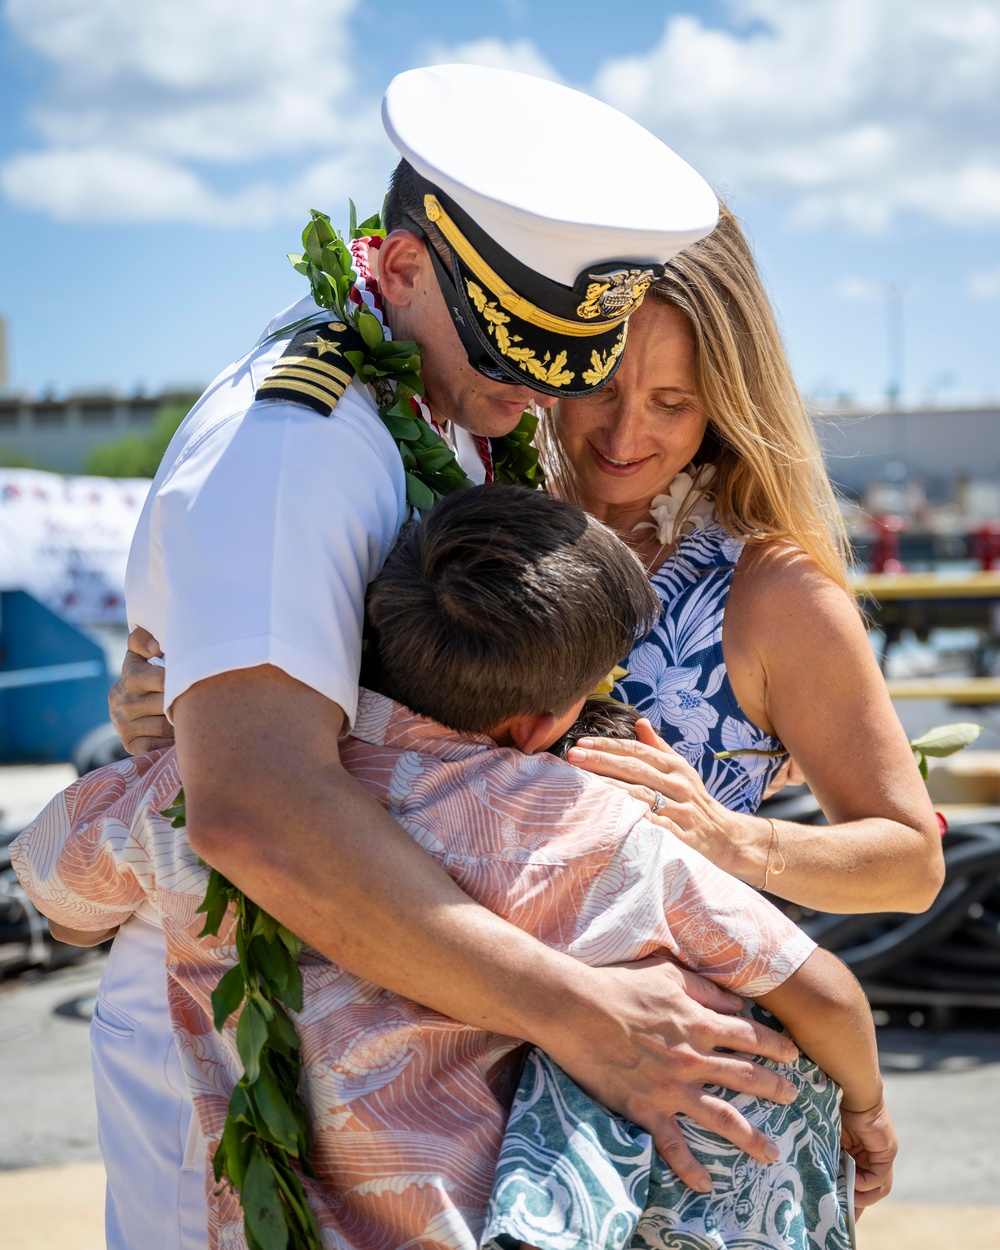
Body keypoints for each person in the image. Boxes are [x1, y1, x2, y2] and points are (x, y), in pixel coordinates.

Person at [96, 63, 797, 1250]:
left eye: (567, 359)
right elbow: (258, 808)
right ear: (403, 265)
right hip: (246, 1053)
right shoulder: (296, 446)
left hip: (404, 1024)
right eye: (515, 348)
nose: (538, 394)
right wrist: (581, 1011)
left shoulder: (447, 415)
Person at [14, 487, 891, 1250]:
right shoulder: (591, 827)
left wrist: (163, 746)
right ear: (543, 723)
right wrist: (866, 1114)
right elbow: (827, 996)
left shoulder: (209, 787)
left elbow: (58, 900)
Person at [536, 203, 944, 917]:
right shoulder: (479, 512)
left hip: (672, 1021)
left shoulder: (773, 590)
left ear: (723, 405)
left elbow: (911, 862)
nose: (625, 434)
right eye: (600, 386)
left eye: (671, 403)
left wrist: (731, 840)